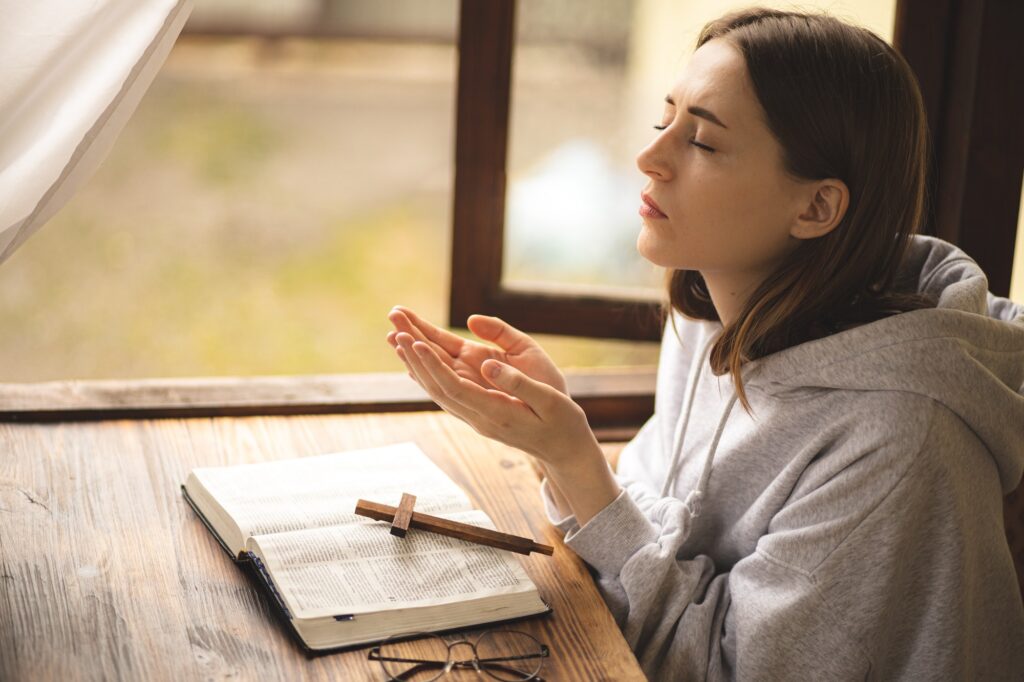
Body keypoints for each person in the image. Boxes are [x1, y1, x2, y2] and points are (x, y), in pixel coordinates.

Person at [386, 7, 1024, 680]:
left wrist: (575, 463)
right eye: (667, 121)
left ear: (815, 208)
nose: (648, 157)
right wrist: (555, 442)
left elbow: (729, 670)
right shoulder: (715, 314)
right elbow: (639, 534)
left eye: (704, 143)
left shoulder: (899, 438)